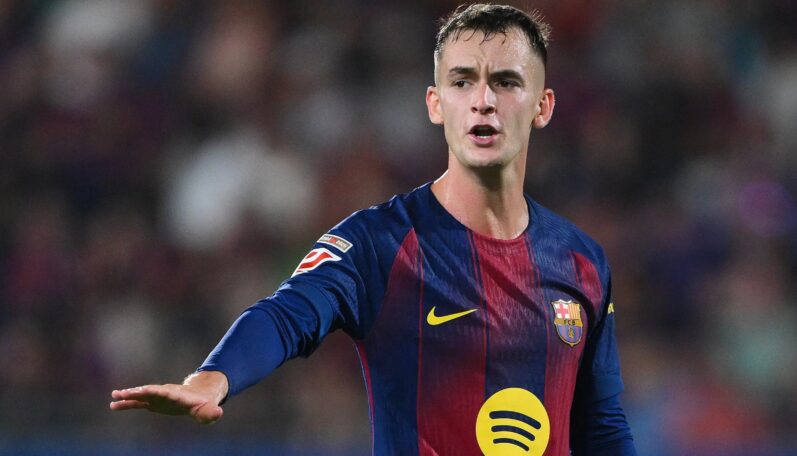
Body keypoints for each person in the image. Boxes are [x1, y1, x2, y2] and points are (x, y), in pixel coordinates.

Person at [110, 4, 637, 455]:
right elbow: (288, 313)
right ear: (436, 104)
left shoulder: (581, 261)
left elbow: (603, 425)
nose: (483, 100)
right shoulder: (379, 243)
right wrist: (212, 378)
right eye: (462, 81)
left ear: (542, 106)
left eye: (506, 81)